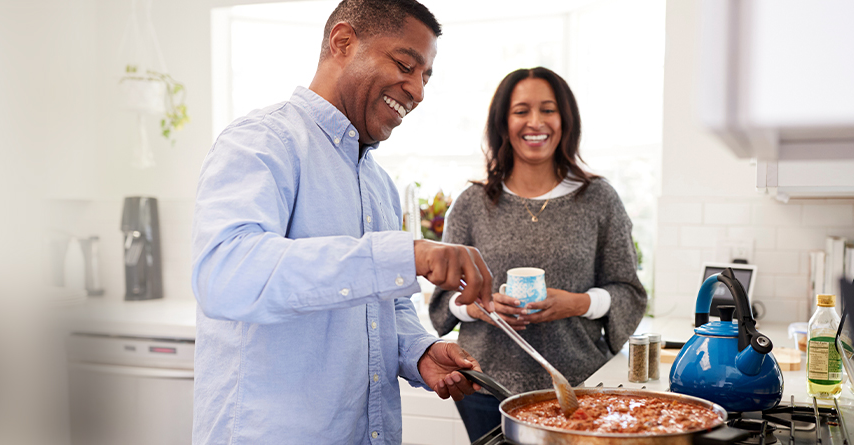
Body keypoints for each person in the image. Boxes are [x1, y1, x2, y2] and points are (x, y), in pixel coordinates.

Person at [190, 1, 496, 443]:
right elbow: (227, 273)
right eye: (406, 65)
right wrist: (407, 254)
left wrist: (420, 351)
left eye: (425, 77)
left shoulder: (378, 183)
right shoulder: (261, 142)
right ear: (343, 42)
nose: (418, 91)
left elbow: (385, 307)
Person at [428, 67, 648, 441]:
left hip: (578, 386)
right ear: (503, 122)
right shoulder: (471, 205)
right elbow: (443, 302)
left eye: (548, 109)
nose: (535, 122)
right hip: (486, 388)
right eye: (521, 111)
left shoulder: (599, 199)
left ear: (565, 120)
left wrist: (577, 303)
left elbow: (629, 291)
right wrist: (484, 307)